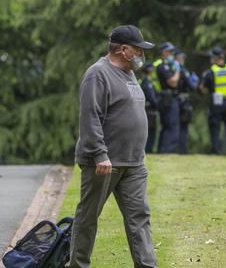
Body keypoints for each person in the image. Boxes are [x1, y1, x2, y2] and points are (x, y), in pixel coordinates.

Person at [70, 25, 157, 268]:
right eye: (139, 50)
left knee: (139, 217)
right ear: (123, 49)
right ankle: (78, 265)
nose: (142, 55)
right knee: (88, 218)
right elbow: (90, 118)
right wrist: (100, 154)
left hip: (133, 163)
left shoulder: (130, 72)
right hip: (104, 163)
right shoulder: (97, 74)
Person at [199, 47, 226, 155]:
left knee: (215, 129)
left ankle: (216, 151)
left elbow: (203, 90)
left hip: (217, 104)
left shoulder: (210, 72)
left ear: (215, 58)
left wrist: (199, 86)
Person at [155, 42, 180, 153]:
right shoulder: (163, 66)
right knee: (171, 125)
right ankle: (168, 150)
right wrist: (178, 70)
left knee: (166, 126)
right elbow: (173, 82)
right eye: (170, 52)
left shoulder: (167, 65)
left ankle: (163, 150)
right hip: (168, 98)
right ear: (164, 52)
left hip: (167, 98)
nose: (172, 54)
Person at [174, 48, 198, 154]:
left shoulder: (175, 68)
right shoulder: (181, 70)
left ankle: (180, 150)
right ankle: (182, 150)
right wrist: (194, 82)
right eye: (181, 57)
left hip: (178, 99)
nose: (183, 59)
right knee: (182, 126)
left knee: (179, 125)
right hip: (182, 100)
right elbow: (191, 86)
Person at [139, 62, 159, 153]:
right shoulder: (147, 82)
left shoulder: (145, 81)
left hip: (148, 110)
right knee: (150, 132)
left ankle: (148, 150)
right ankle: (148, 150)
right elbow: (152, 98)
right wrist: (159, 105)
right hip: (149, 110)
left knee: (150, 131)